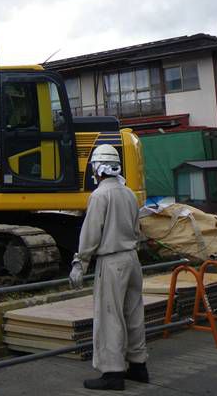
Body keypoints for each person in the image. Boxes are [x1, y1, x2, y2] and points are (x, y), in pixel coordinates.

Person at [69, 144, 148, 391]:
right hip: (132, 259)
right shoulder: (129, 194)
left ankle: (113, 373)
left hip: (112, 262)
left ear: (97, 169)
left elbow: (91, 234)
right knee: (134, 313)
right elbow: (137, 229)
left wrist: (79, 263)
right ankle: (138, 366)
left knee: (110, 316)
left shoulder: (100, 196)